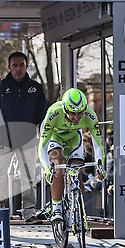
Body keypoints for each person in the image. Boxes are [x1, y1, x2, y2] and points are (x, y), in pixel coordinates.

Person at [0, 51, 48, 224]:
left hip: (27, 140)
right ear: (9, 67)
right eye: (15, 65)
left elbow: (42, 114)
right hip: (4, 139)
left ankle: (29, 212)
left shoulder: (36, 88)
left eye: (21, 65)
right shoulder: (0, 87)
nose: (18, 68)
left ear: (26, 66)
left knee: (28, 177)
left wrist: (40, 133)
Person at [38, 88, 105, 222]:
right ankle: (56, 207)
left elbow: (98, 146)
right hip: (54, 136)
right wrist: (47, 169)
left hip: (74, 137)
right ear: (64, 109)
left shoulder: (90, 116)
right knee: (59, 162)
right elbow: (42, 147)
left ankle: (77, 207)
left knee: (77, 170)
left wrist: (100, 166)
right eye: (72, 113)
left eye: (80, 113)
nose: (76, 117)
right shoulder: (53, 112)